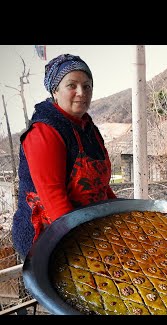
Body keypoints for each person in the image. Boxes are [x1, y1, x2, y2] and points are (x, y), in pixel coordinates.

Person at [12, 54, 117, 260]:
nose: (81, 93)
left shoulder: (87, 127)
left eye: (87, 86)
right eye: (72, 85)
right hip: (50, 234)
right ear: (55, 91)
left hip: (86, 225)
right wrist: (85, 249)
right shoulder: (44, 132)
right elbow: (54, 201)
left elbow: (99, 185)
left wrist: (124, 214)